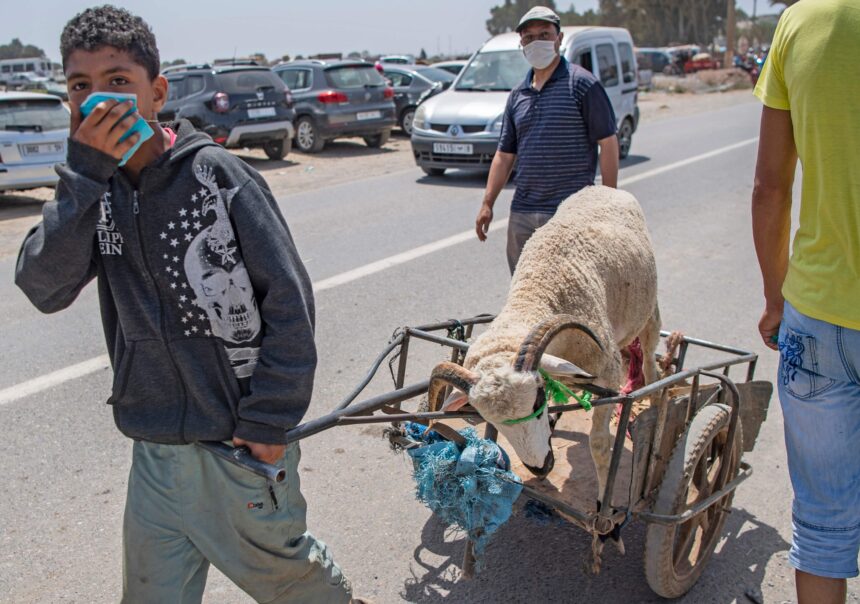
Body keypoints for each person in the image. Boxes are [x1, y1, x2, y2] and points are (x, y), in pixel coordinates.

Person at [15, 6, 363, 603]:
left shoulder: (216, 176)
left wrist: (268, 418)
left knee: (298, 590)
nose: (98, 101)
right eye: (81, 87)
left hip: (238, 448)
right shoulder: (90, 193)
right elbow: (43, 286)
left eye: (118, 82)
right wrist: (83, 175)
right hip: (154, 454)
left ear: (156, 93)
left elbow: (290, 301)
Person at [751, 1, 859, 602]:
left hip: (817, 315)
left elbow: (771, 185)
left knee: (822, 525)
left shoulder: (801, 23)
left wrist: (774, 298)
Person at [474, 5, 619, 274]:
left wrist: (608, 205)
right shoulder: (518, 95)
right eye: (529, 38)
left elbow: (607, 143)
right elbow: (505, 155)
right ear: (521, 44)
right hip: (523, 214)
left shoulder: (582, 85)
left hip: (571, 213)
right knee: (527, 298)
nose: (536, 42)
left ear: (559, 39)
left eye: (544, 34)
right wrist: (487, 203)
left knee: (572, 295)